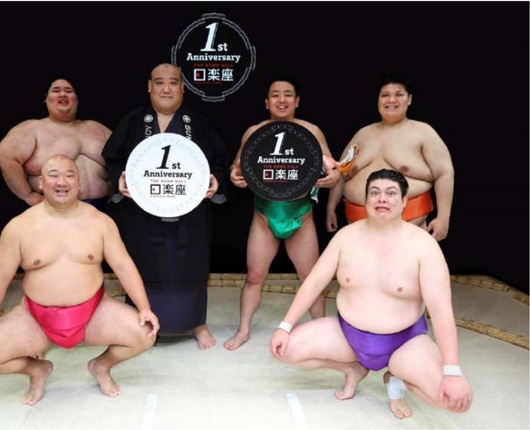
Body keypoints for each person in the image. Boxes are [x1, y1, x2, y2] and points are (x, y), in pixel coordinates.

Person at [270, 169, 472, 419]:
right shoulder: (346, 237)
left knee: (454, 400)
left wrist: (452, 371)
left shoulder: (424, 246)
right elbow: (313, 284)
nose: (382, 199)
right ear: (366, 200)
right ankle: (353, 369)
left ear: (404, 201)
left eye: (391, 193)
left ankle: (396, 381)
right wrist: (285, 326)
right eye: (374, 193)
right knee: (284, 348)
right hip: (348, 335)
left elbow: (441, 312)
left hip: (405, 342)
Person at [0, 155, 159, 406]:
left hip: (94, 313)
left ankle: (101, 366)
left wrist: (144, 308)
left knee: (145, 334)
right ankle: (37, 370)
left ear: (79, 183)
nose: (61, 182)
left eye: (69, 175)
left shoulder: (100, 222)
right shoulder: (19, 227)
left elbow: (124, 266)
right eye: (53, 175)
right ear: (41, 183)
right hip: (35, 318)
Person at [101, 63, 228, 350]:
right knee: (143, 263)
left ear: (183, 88)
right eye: (159, 82)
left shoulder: (199, 123)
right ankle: (142, 322)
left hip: (190, 214)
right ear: (149, 87)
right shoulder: (133, 121)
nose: (166, 89)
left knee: (192, 265)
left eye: (173, 83)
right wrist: (119, 179)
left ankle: (197, 323)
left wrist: (216, 182)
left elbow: (220, 163)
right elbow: (112, 160)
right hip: (142, 214)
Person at [224, 76, 342, 351]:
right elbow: (237, 166)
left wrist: (333, 177)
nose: (281, 100)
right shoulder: (254, 132)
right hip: (264, 215)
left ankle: (321, 331)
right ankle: (243, 330)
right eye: (275, 95)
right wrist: (234, 175)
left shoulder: (311, 131)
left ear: (297, 101)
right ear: (266, 102)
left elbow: (334, 168)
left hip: (301, 215)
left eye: (287, 94)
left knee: (311, 279)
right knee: (254, 277)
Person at [329, 75, 454, 241]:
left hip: (409, 229)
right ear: (378, 100)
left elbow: (444, 173)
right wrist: (330, 208)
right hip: (358, 231)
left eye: (399, 95)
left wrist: (443, 218)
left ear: (409, 99)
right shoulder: (362, 134)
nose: (391, 100)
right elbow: (341, 173)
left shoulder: (423, 132)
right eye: (385, 95)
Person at [0, 77, 112, 210]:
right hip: (53, 211)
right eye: (56, 91)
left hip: (105, 209)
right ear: (46, 99)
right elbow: (5, 158)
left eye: (69, 91)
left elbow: (127, 156)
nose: (63, 94)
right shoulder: (32, 128)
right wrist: (28, 195)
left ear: (76, 99)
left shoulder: (97, 128)